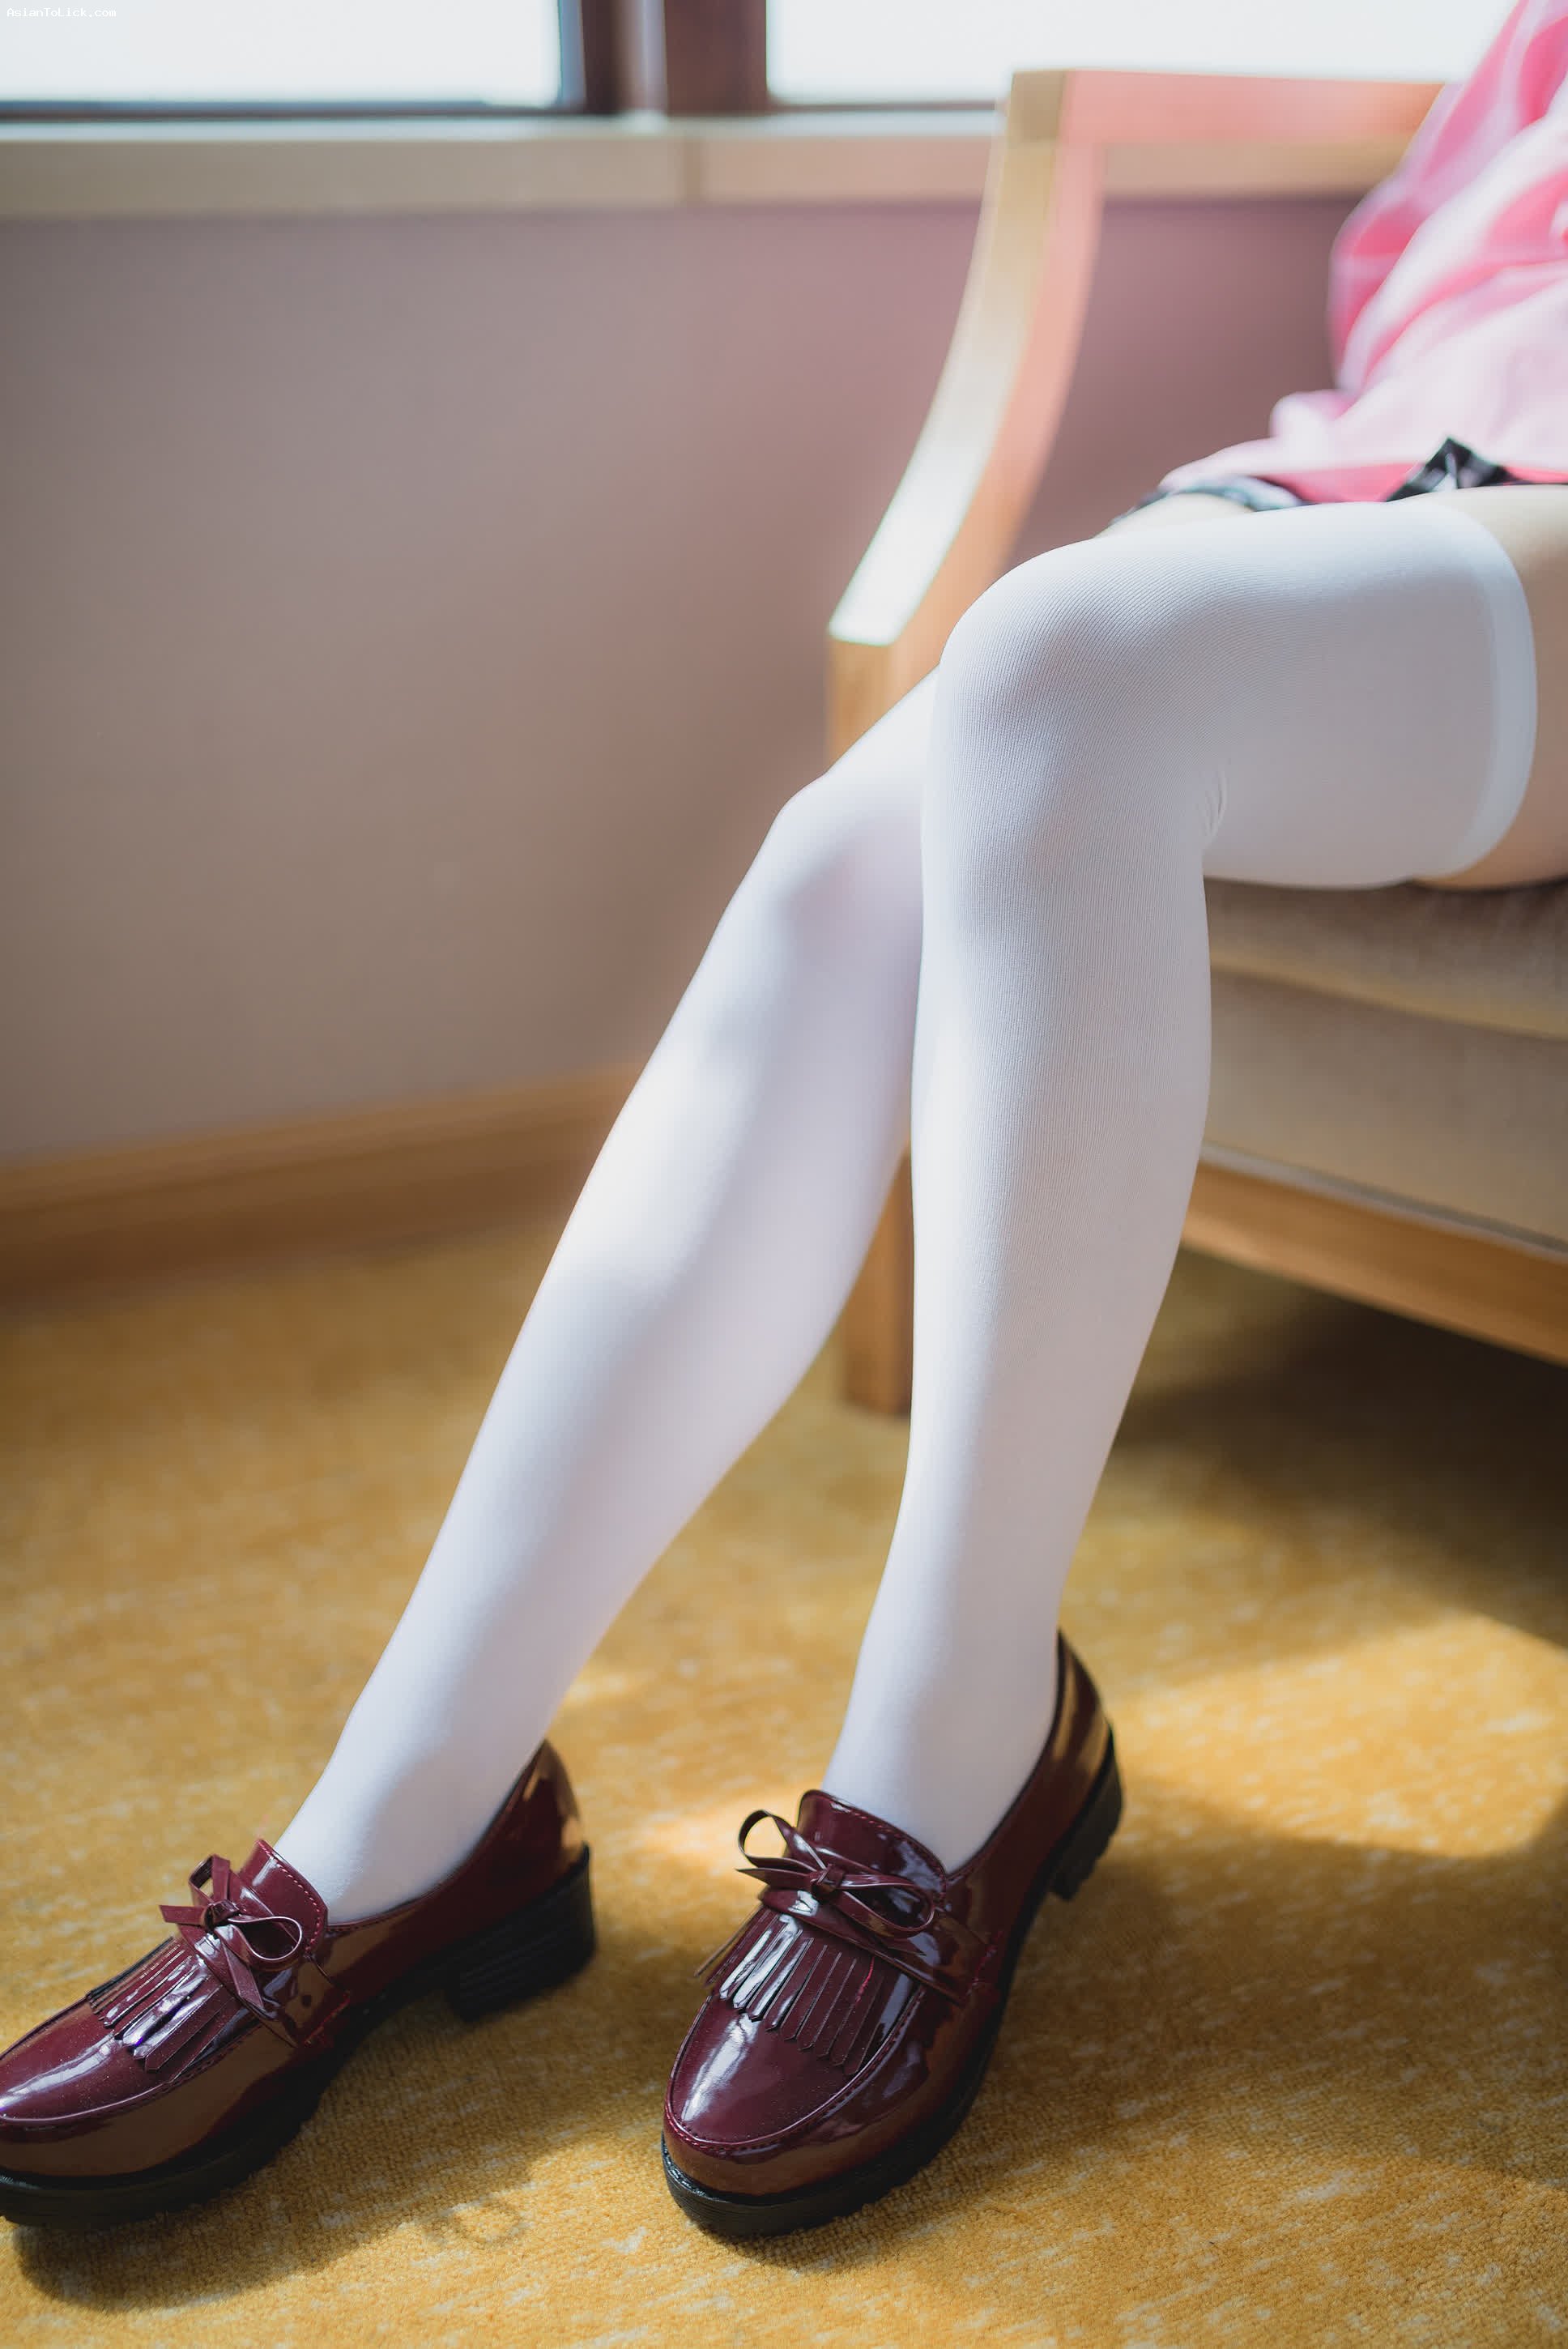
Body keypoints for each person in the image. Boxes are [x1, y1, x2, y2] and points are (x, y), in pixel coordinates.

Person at [2, 0, 1566, 2244]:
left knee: (1056, 661)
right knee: (853, 846)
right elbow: (1432, 247)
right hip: (1345, 492)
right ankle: (410, 1818)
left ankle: (952, 1749)